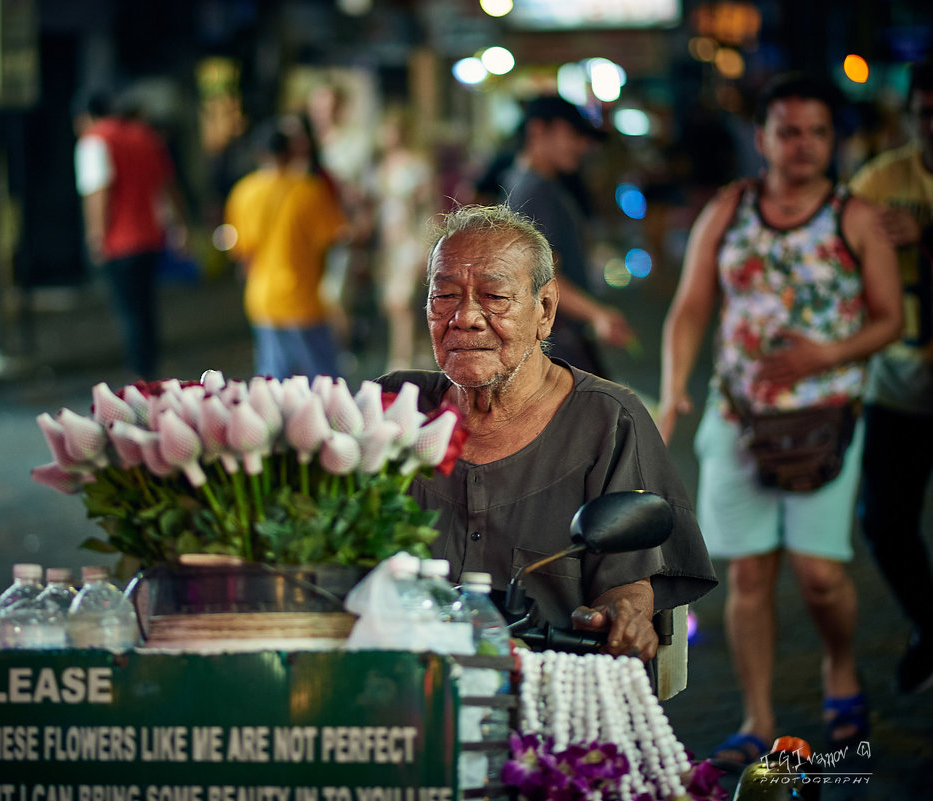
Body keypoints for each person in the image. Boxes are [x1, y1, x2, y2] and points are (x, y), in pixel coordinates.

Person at [658, 73, 903, 766]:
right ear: (761, 137)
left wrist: (828, 353)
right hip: (738, 422)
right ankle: (757, 717)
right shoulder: (728, 211)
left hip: (825, 425)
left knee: (821, 574)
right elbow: (690, 307)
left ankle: (840, 665)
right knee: (746, 577)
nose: (802, 145)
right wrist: (675, 387)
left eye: (817, 132)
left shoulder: (855, 217)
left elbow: (890, 320)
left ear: (833, 140)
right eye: (788, 130)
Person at [378, 203, 717, 662]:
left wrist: (623, 615)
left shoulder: (608, 421)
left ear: (545, 310)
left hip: (548, 693)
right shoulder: (395, 407)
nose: (466, 318)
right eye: (445, 296)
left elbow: (628, 583)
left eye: (495, 298)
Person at [848, 59, 933, 695]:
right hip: (899, 377)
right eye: (924, 115)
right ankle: (929, 622)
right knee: (883, 518)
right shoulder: (880, 181)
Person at [502, 95, 636, 379]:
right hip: (557, 342)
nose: (581, 146)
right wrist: (596, 313)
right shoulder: (535, 191)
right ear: (538, 130)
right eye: (573, 135)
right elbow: (540, 275)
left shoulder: (528, 183)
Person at [224, 116, 350, 379]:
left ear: (259, 153)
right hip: (303, 300)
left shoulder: (243, 192)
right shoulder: (308, 191)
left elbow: (241, 250)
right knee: (322, 385)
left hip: (261, 300)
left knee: (273, 385)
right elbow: (335, 236)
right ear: (291, 152)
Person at [73, 92, 187, 381]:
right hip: (150, 236)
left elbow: (97, 192)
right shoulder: (144, 135)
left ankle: (141, 373)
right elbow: (168, 184)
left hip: (120, 240)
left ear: (85, 117)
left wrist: (95, 235)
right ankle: (150, 367)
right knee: (146, 308)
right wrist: (180, 226)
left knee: (129, 312)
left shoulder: (95, 140)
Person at [369, 109, 435, 371]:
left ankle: (400, 358)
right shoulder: (382, 166)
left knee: (401, 301)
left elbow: (430, 206)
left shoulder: (416, 165)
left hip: (410, 238)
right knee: (392, 302)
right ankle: (415, 352)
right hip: (388, 240)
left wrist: (428, 243)